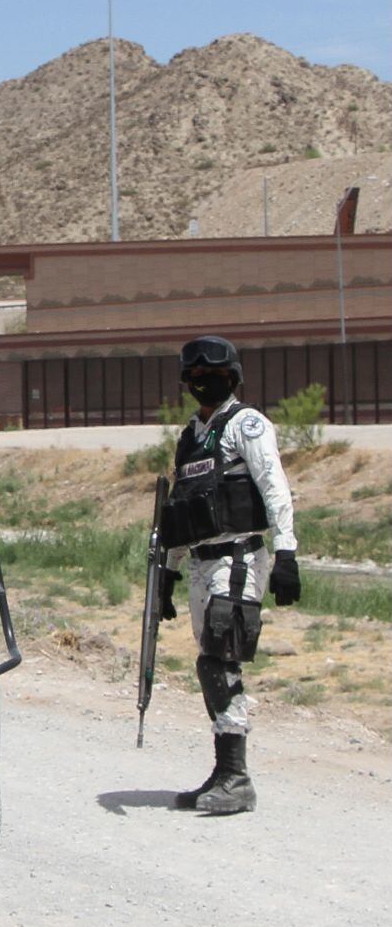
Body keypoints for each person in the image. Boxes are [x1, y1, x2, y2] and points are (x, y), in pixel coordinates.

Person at [157, 336, 298, 815]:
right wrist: (168, 574)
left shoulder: (246, 425)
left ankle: (237, 779)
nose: (203, 382)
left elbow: (275, 488)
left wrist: (287, 553)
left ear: (232, 377)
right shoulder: (192, 437)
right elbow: (181, 512)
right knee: (209, 662)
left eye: (212, 375)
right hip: (202, 563)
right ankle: (224, 771)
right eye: (195, 376)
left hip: (237, 558)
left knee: (221, 659)